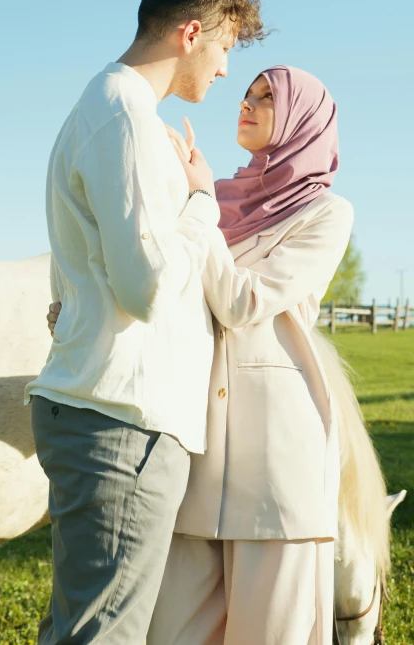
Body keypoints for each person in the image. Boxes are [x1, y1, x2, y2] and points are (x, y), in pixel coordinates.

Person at [49, 65, 353, 645]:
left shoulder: (325, 214)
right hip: (193, 448)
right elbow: (159, 279)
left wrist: (201, 201)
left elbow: (243, 301)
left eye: (269, 98)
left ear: (304, 121)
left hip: (276, 463)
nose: (248, 102)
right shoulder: (214, 198)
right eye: (247, 92)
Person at [25, 0, 265, 645]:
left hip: (111, 413)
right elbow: (145, 286)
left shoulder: (112, 110)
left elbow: (92, 274)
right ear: (192, 33)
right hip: (122, 422)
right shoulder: (123, 113)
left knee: (84, 627)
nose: (226, 68)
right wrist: (200, 203)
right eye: (223, 48)